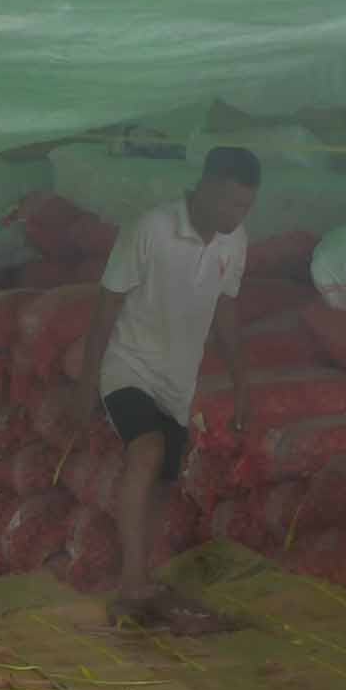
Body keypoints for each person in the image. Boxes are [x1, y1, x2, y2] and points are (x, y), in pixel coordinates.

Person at [82, 147, 260, 633]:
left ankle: (143, 576)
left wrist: (242, 385)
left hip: (178, 381)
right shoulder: (151, 228)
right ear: (206, 187)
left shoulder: (234, 240)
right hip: (129, 366)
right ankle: (130, 583)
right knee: (147, 449)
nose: (236, 216)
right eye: (231, 203)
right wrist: (86, 385)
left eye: (246, 207)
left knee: (164, 480)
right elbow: (106, 306)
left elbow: (226, 310)